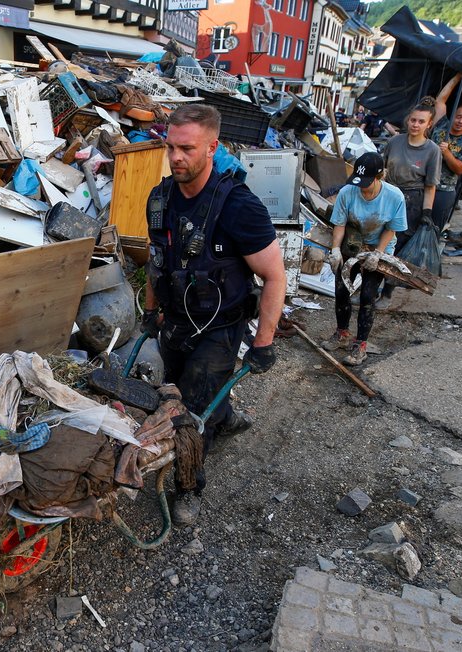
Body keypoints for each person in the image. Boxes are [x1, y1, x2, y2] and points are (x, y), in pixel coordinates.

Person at [142, 104, 286, 524]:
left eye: (186, 148)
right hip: (175, 321)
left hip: (220, 328)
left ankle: (189, 487)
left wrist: (263, 344)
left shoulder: (239, 207)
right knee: (180, 391)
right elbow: (156, 261)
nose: (175, 158)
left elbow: (275, 277)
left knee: (186, 412)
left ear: (212, 147)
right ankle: (226, 417)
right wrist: (151, 312)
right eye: (170, 147)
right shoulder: (161, 199)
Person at [322, 153, 407, 365]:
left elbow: (392, 229)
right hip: (352, 243)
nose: (362, 188)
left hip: (379, 246)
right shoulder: (347, 192)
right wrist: (335, 249)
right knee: (341, 290)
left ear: (380, 177)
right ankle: (342, 333)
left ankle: (360, 345)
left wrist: (378, 253)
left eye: (367, 183)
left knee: (368, 295)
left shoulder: (394, 196)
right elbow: (339, 224)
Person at [378, 98, 441, 308]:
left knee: (398, 247)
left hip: (412, 201)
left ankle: (387, 292)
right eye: (413, 120)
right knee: (378, 241)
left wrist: (427, 212)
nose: (415, 124)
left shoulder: (432, 150)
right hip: (389, 194)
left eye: (421, 121)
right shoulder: (395, 142)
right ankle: (369, 286)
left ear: (428, 124)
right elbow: (383, 170)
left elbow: (430, 186)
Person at [431, 74, 462, 231]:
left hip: (444, 190)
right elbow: (440, 101)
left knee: (434, 230)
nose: (460, 121)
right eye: (458, 116)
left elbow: (460, 169)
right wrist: (457, 78)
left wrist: (447, 153)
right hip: (423, 185)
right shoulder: (441, 126)